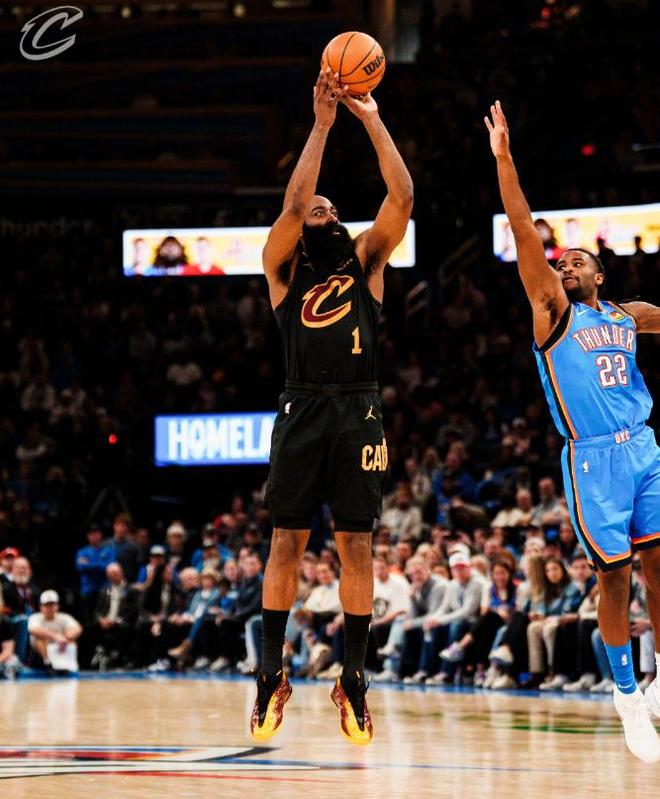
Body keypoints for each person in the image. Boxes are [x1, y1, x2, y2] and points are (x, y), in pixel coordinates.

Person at [485, 100, 660, 762]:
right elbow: (524, 232)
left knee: (659, 565)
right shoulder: (553, 313)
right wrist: (505, 162)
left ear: (600, 273)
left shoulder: (625, 314)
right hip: (594, 462)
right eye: (562, 263)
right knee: (615, 579)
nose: (566, 267)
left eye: (578, 261)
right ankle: (625, 695)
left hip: (645, 446)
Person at [252, 66, 413, 745]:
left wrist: (370, 118)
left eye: (334, 210)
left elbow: (402, 196)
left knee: (357, 544)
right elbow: (294, 209)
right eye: (322, 211)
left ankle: (353, 677)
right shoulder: (283, 268)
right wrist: (320, 125)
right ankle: (270, 672)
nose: (329, 214)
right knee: (286, 540)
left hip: (358, 409)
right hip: (302, 407)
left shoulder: (366, 262)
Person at [27, 590, 82, 672]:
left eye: (52, 605)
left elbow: (78, 628)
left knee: (71, 639)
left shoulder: (64, 617)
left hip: (60, 649)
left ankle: (70, 664)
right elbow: (34, 630)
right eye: (46, 605)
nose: (49, 608)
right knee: (40, 639)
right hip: (39, 654)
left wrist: (65, 638)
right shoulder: (34, 617)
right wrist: (56, 637)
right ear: (41, 607)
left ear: (57, 606)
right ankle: (47, 663)